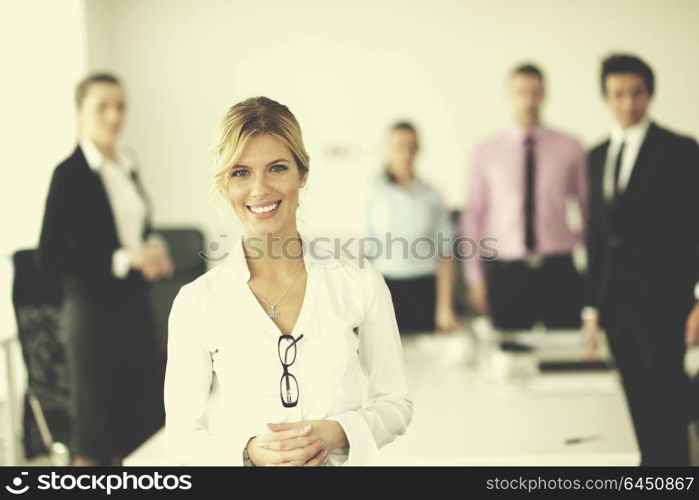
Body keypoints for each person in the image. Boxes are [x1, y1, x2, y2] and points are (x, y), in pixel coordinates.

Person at [163, 97, 412, 466]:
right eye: (241, 173)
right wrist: (247, 453)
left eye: (277, 168)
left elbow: (395, 404)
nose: (259, 189)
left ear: (303, 173)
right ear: (225, 184)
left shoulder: (357, 281)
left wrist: (339, 431)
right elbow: (182, 437)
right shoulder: (196, 302)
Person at [37, 73, 174, 466]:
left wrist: (153, 245)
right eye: (103, 106)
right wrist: (121, 259)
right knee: (96, 434)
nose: (114, 115)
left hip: (134, 307)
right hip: (93, 315)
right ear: (79, 112)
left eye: (120, 105)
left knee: (141, 424)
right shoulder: (69, 173)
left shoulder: (126, 162)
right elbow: (50, 256)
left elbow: (135, 228)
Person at [584, 54, 699, 466]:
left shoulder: (681, 150)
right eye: (618, 94)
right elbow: (597, 237)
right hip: (616, 308)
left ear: (649, 94)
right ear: (605, 97)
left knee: (666, 409)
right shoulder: (595, 155)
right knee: (630, 410)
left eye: (636, 93)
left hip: (665, 303)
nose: (627, 103)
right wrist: (591, 309)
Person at [461, 63, 587, 330]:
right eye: (521, 92)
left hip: (558, 270)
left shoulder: (570, 147)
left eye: (536, 92)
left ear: (545, 95)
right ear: (509, 96)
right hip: (507, 272)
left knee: (564, 355)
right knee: (509, 358)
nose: (529, 100)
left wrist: (573, 238)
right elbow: (473, 218)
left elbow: (589, 208)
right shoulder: (486, 152)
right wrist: (475, 280)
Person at [363, 121, 461, 334]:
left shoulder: (432, 194)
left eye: (411, 146)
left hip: (424, 289)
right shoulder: (373, 193)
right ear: (387, 150)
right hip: (385, 288)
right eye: (398, 146)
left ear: (418, 150)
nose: (405, 153)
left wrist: (444, 308)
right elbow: (365, 255)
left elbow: (446, 254)